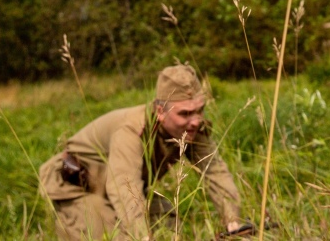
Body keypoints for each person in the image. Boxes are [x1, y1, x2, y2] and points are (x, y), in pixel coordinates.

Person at [38, 64, 249, 241]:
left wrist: (233, 223)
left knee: (168, 224)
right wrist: (141, 236)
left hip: (115, 187)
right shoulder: (131, 131)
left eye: (199, 110)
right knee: (115, 235)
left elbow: (215, 172)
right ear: (160, 112)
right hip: (76, 186)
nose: (195, 120)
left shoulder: (193, 128)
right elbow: (123, 185)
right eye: (185, 113)